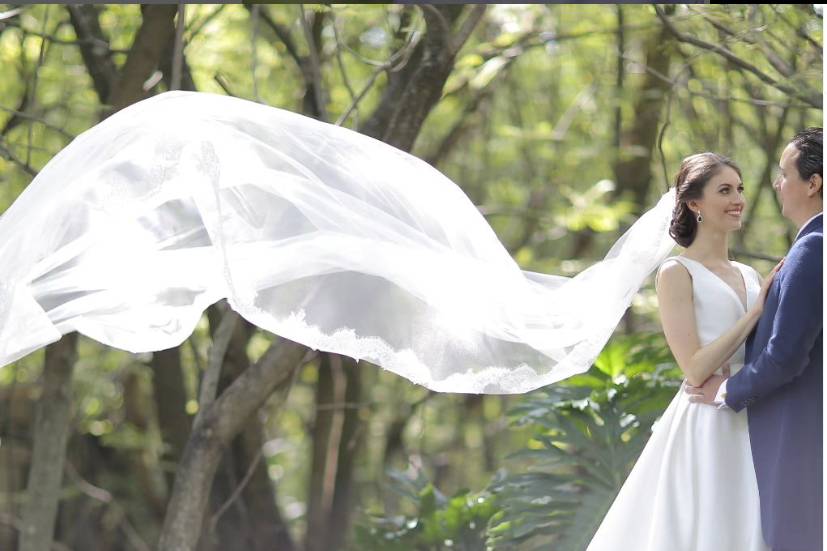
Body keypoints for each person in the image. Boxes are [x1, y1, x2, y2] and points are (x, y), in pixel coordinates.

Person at [588, 152, 781, 550]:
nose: (738, 199)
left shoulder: (748, 274)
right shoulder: (676, 273)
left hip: (751, 413)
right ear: (694, 203)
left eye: (740, 189)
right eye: (724, 190)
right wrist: (755, 312)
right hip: (705, 422)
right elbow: (694, 369)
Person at [687, 128, 823, 551]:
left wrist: (726, 391)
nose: (778, 183)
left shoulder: (813, 248)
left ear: (814, 182)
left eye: (784, 174)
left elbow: (785, 356)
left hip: (796, 431)